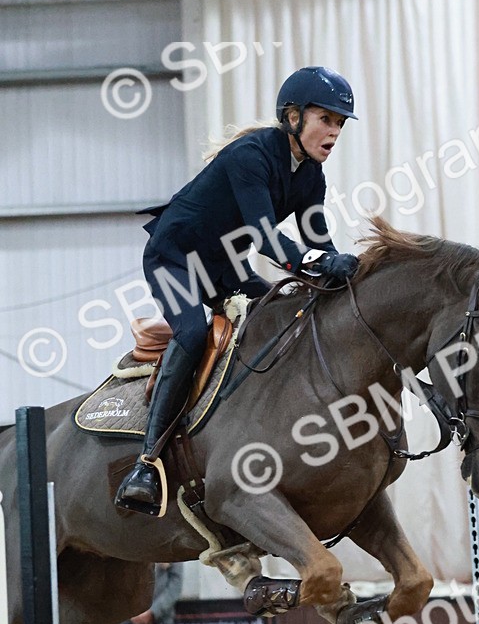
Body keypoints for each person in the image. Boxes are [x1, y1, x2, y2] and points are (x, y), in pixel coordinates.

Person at [114, 65, 360, 514]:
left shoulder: (310, 176)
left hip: (224, 265)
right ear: (292, 116)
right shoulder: (251, 155)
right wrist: (320, 262)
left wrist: (337, 270)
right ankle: (145, 463)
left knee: (279, 309)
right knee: (191, 333)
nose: (334, 131)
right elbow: (266, 237)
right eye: (326, 119)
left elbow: (317, 239)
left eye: (340, 123)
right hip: (175, 259)